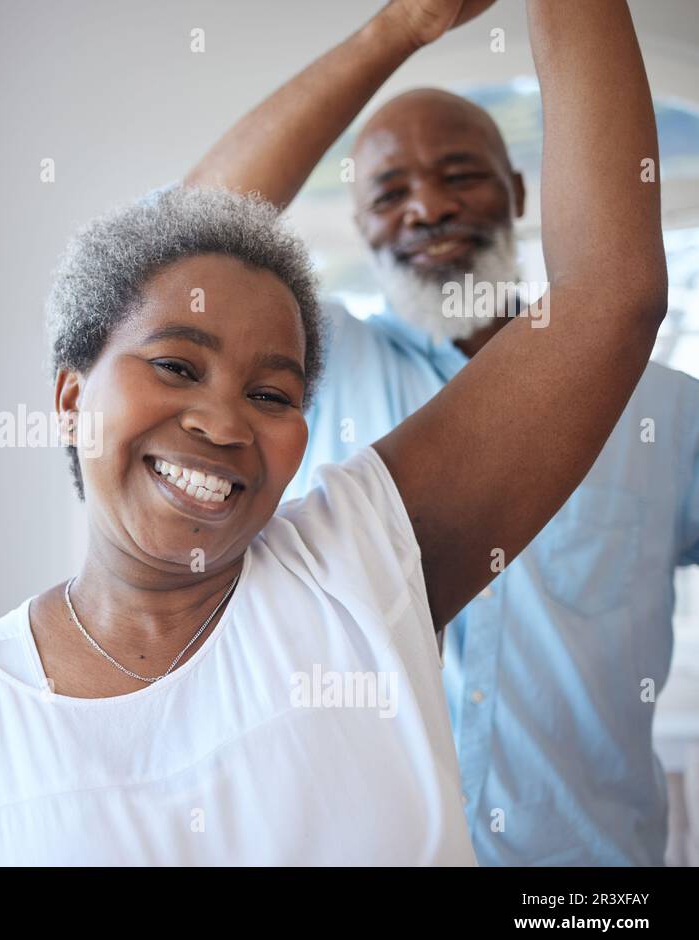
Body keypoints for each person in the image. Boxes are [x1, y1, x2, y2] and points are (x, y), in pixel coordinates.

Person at [0, 0, 666, 865]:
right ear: (69, 397)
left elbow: (608, 299)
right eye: (177, 366)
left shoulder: (356, 565)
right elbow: (179, 235)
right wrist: (397, 26)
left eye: (272, 392)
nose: (223, 422)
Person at [178, 0, 699, 865]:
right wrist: (400, 28)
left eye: (460, 173)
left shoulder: (665, 412)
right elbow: (179, 247)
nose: (426, 206)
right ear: (362, 227)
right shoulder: (315, 367)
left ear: (520, 191)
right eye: (388, 192)